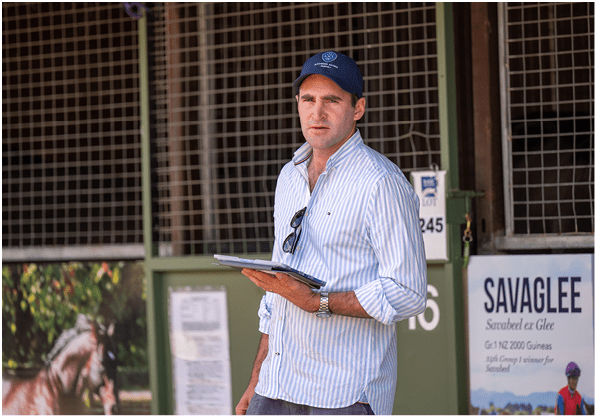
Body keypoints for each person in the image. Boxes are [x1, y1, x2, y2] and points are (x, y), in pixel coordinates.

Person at [236, 50, 427, 415]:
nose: (316, 112)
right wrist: (255, 381)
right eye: (308, 99)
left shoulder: (381, 182)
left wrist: (318, 301)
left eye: (331, 100)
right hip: (277, 386)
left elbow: (409, 292)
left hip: (343, 394)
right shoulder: (288, 176)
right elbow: (277, 297)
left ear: (358, 109)